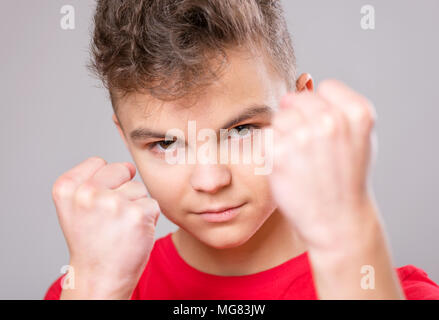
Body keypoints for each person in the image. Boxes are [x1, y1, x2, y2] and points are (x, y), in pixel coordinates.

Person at [44, 0, 439, 299]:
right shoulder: (89, 284)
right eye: (165, 143)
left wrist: (350, 235)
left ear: (301, 107)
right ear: (124, 137)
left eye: (242, 130)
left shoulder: (386, 288)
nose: (211, 180)